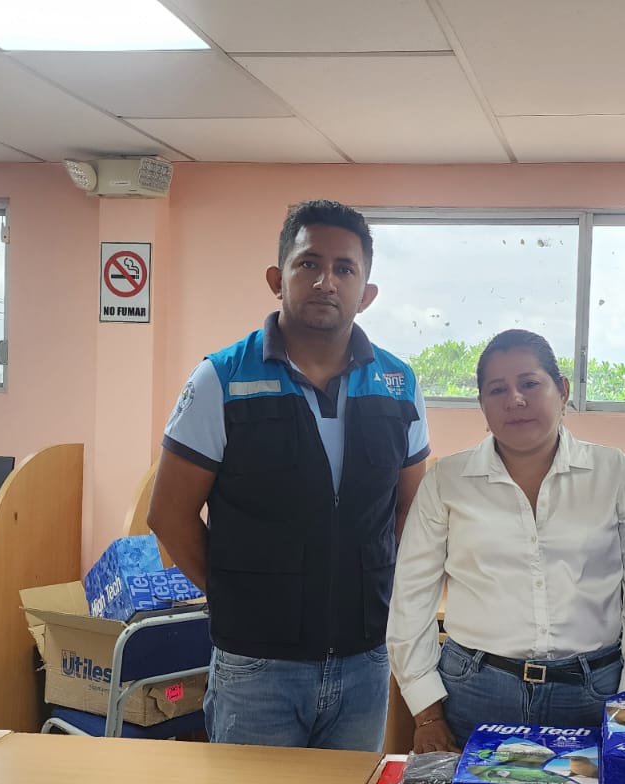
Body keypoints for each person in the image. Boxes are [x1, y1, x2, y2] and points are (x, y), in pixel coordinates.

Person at [148, 199, 429, 751]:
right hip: (257, 670)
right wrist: (238, 596)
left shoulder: (398, 383)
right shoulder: (222, 379)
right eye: (309, 264)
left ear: (367, 293)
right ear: (278, 279)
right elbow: (169, 515)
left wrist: (371, 591)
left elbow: (411, 513)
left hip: (364, 662)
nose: (326, 281)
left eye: (345, 269)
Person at [387, 329, 625, 753]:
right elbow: (412, 595)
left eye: (530, 383)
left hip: (592, 692)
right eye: (497, 390)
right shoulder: (447, 480)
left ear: (562, 390)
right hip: (475, 689)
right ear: (482, 404)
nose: (514, 400)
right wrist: (427, 713)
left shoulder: (615, 473)